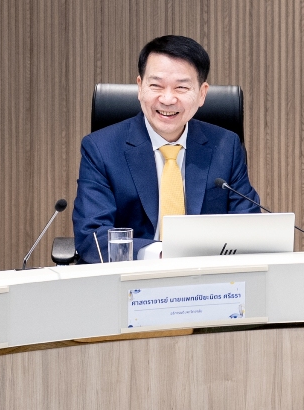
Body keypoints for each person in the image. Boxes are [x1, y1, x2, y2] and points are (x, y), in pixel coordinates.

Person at [72, 35, 260, 263]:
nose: (168, 99)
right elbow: (92, 235)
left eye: (181, 87)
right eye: (156, 86)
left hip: (206, 274)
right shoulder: (101, 149)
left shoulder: (225, 146)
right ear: (140, 87)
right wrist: (161, 254)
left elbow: (248, 225)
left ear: (202, 94)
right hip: (132, 275)